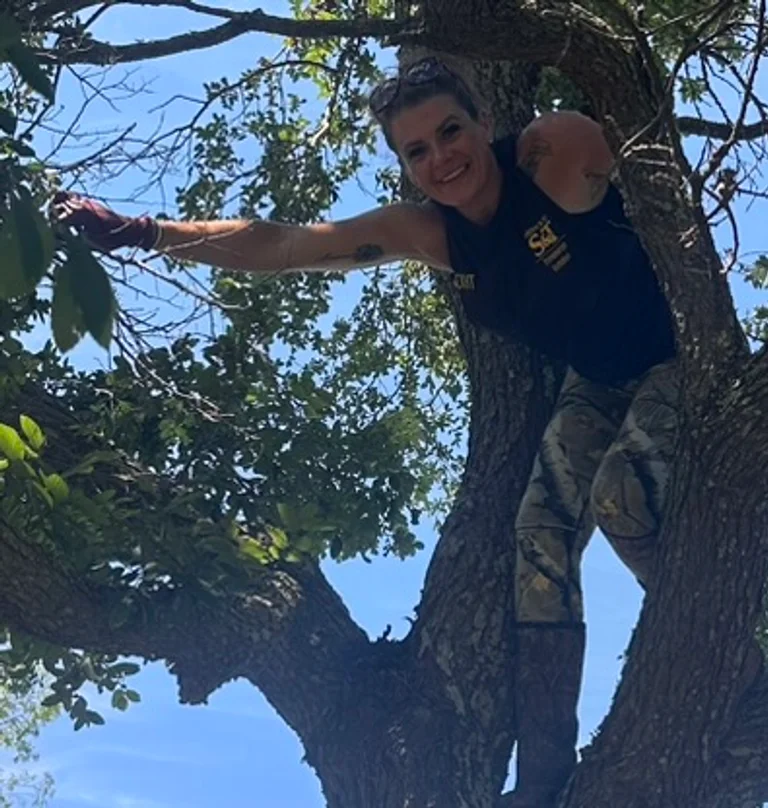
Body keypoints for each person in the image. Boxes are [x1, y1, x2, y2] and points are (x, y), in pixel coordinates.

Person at [52, 56, 679, 807]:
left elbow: (661, 175)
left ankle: (712, 638)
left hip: (680, 356)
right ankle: (545, 775)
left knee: (623, 499)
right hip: (599, 381)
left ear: (484, 122)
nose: (442, 158)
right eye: (417, 151)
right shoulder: (430, 233)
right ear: (406, 167)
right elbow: (283, 245)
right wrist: (142, 231)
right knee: (538, 533)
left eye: (451, 131)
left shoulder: (551, 150)